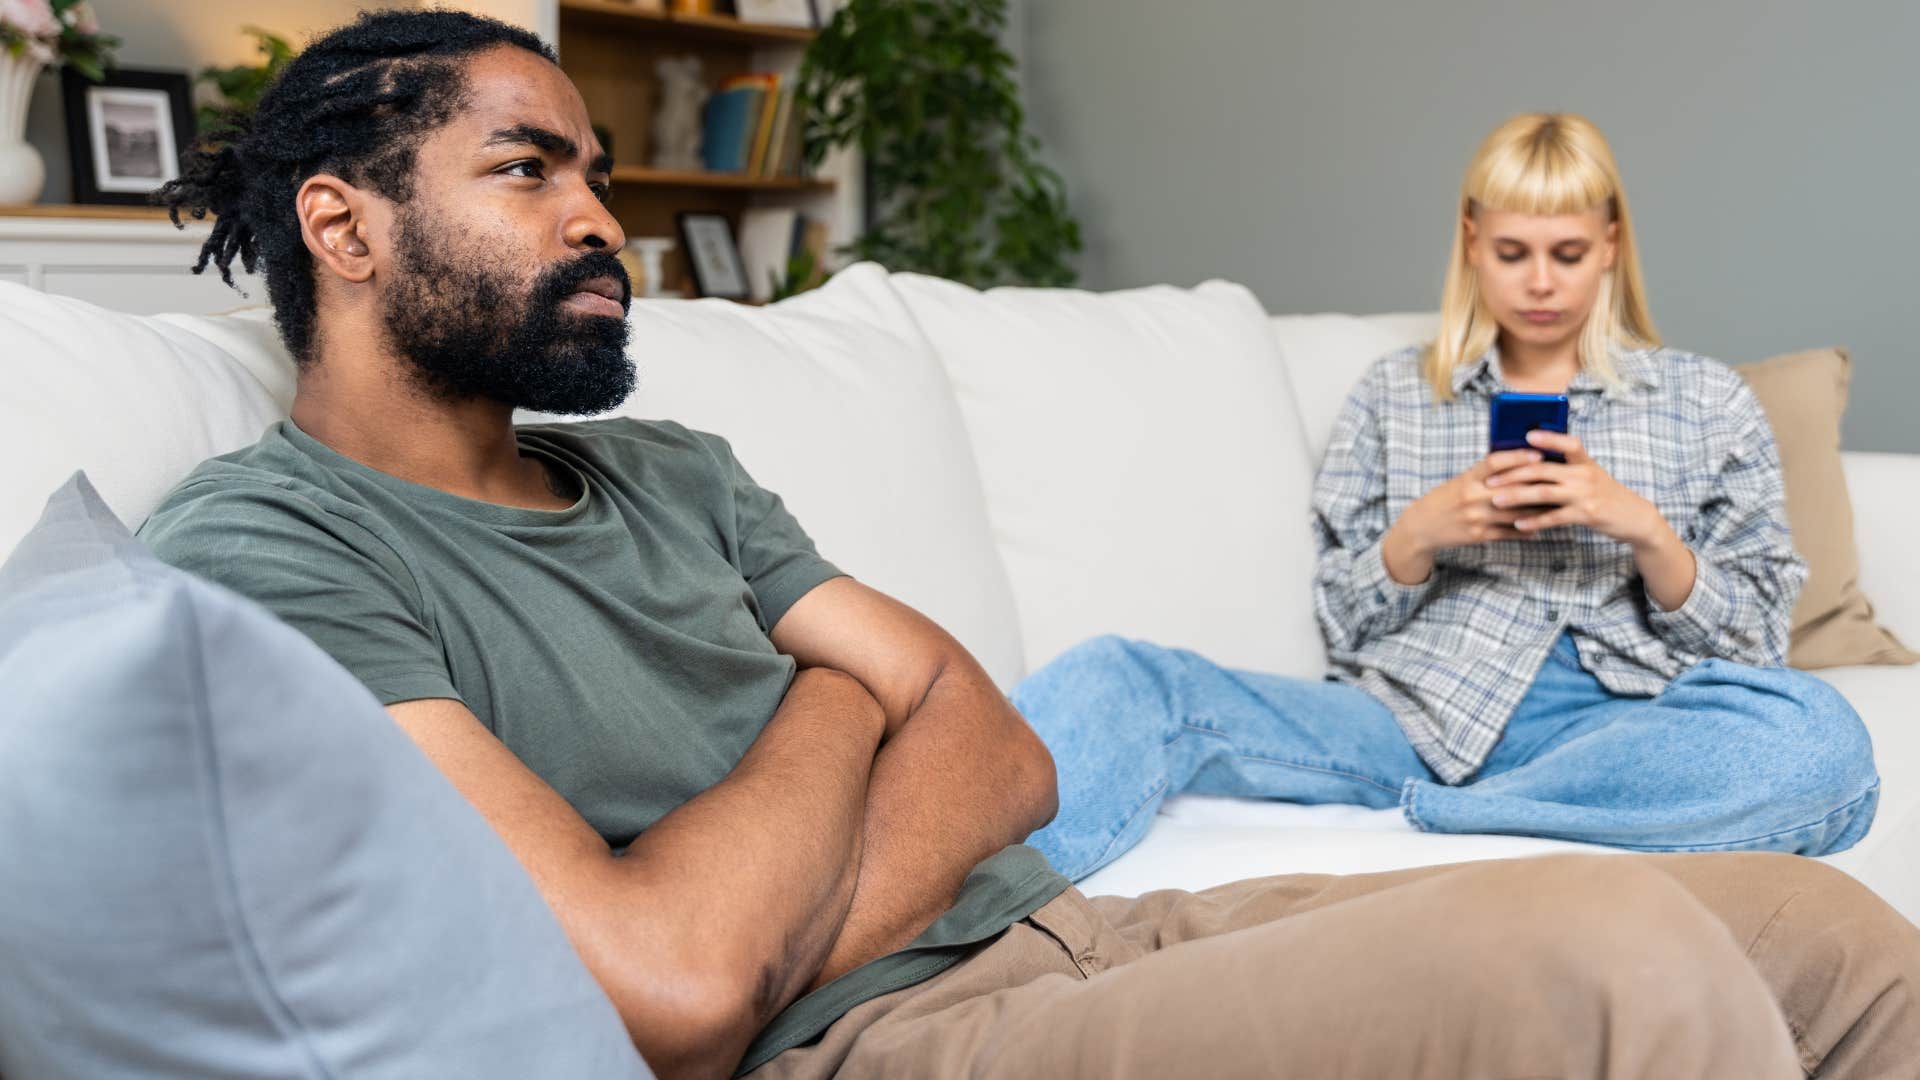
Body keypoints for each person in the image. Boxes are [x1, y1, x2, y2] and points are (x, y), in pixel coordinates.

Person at [139, 17, 1918, 1078]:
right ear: (342, 225)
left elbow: (1003, 751)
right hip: (879, 1041)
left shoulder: (669, 469)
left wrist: (812, 834)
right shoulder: (271, 545)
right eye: (531, 170)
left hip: (1081, 926)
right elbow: (679, 992)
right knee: (1618, 957)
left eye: (598, 172)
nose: (602, 217)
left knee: (1828, 934)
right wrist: (855, 693)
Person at [1016, 112, 1881, 884]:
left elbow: (1758, 645)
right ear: (1471, 241)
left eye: (1567, 254)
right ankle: (962, 913)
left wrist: (1646, 533)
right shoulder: (1394, 396)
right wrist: (1419, 537)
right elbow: (1341, 625)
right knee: (1117, 675)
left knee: (1821, 742)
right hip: (1406, 719)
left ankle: (1474, 812)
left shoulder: (1708, 402)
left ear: (1611, 244)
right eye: (1512, 253)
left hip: (1619, 732)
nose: (1540, 284)